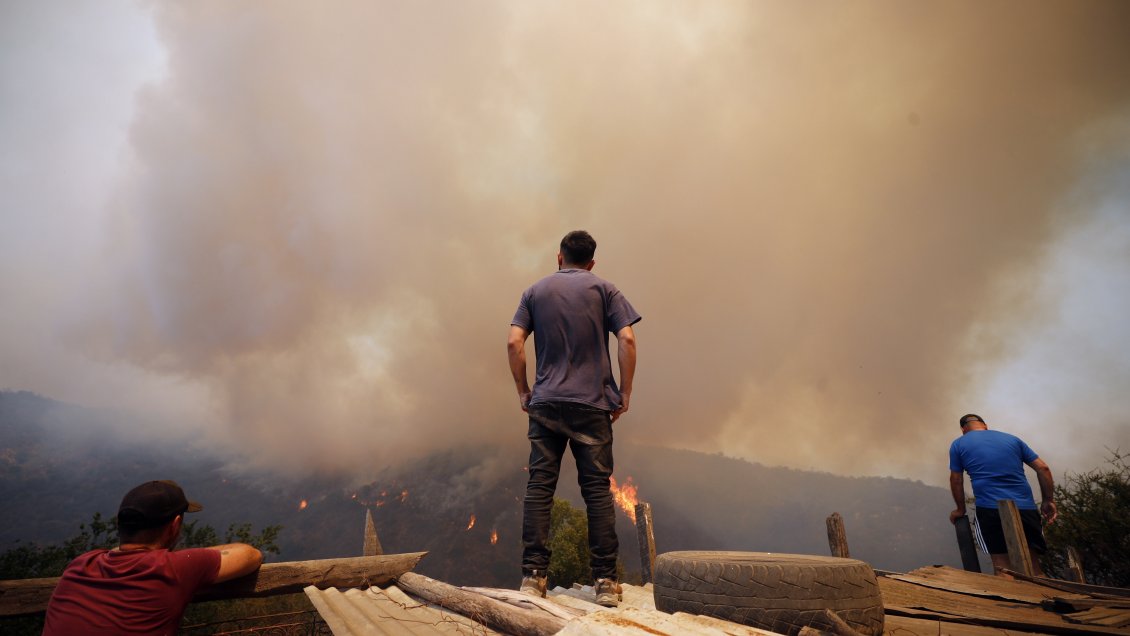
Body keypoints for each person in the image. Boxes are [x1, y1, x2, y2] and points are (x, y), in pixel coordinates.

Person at [508, 230, 641, 607]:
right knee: (597, 491)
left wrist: (523, 390)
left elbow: (514, 342)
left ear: (559, 257)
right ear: (592, 262)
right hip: (593, 404)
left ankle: (533, 578)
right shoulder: (606, 291)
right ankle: (604, 582)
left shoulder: (534, 292)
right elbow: (627, 340)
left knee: (540, 487)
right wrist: (625, 392)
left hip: (546, 403)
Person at [43, 480, 263, 635]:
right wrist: (186, 558)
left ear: (119, 524)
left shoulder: (80, 564)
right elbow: (250, 555)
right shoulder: (173, 567)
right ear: (175, 525)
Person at [948, 414, 1058, 577]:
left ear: (963, 429)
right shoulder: (1013, 439)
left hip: (990, 509)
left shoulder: (958, 444)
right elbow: (1043, 469)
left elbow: (956, 479)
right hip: (1026, 509)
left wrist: (960, 509)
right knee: (1034, 568)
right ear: (985, 425)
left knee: (1003, 569)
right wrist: (1048, 500)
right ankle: (1044, 601)